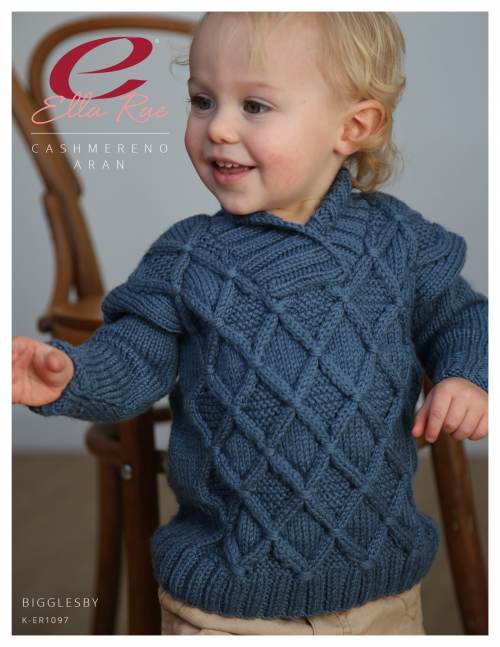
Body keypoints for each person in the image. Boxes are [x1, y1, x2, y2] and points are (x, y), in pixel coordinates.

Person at [12, 11, 488, 635]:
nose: (219, 127)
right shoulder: (189, 259)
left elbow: (461, 315)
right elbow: (132, 358)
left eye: (255, 106)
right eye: (202, 101)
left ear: (354, 126)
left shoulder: (395, 239)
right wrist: (70, 376)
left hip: (383, 591)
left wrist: (465, 374)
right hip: (226, 600)